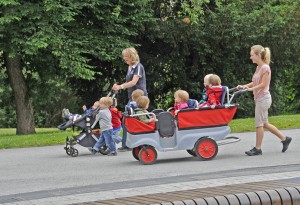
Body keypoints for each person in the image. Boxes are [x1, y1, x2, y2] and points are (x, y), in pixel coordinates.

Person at [237, 45, 292, 156]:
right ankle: (285, 139)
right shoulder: (258, 68)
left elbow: (264, 84)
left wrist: (251, 89)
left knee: (259, 124)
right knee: (265, 123)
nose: (250, 57)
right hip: (259, 99)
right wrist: (244, 86)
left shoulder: (265, 68)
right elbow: (255, 82)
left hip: (263, 99)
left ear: (257, 55)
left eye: (252, 55)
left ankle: (258, 149)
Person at [112, 47, 148, 151]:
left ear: (132, 56)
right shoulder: (130, 67)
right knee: (127, 119)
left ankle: (133, 144)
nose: (124, 59)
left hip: (139, 97)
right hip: (132, 97)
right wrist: (118, 86)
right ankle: (127, 144)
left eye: (126, 57)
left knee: (136, 119)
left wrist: (120, 86)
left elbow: (133, 82)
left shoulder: (138, 67)